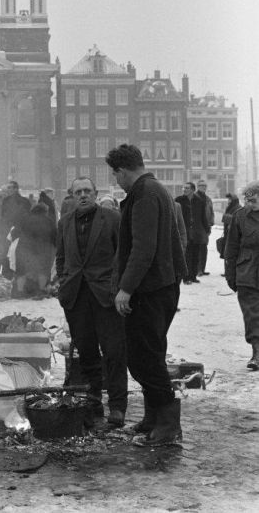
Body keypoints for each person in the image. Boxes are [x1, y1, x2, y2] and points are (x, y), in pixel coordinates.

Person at [106, 144, 186, 445]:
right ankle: (154, 417)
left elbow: (143, 248)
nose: (117, 182)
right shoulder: (155, 189)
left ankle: (167, 425)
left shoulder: (144, 193)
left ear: (122, 171)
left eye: (115, 176)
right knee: (150, 354)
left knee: (143, 359)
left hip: (149, 290)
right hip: (161, 286)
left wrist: (125, 288)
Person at [56, 176, 128, 426]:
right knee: (86, 353)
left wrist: (120, 288)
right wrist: (63, 283)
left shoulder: (112, 219)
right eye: (78, 192)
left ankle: (118, 407)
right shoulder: (64, 222)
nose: (83, 195)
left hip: (106, 296)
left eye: (88, 191)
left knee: (114, 352)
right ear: (72, 196)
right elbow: (61, 257)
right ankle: (93, 400)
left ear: (96, 194)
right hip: (76, 297)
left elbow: (123, 257)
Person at [224, 182, 259, 371]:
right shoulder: (240, 217)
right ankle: (257, 352)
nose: (249, 205)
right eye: (247, 200)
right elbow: (231, 248)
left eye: (253, 201)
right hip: (247, 272)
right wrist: (231, 275)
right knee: (252, 314)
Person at [13, 203, 57, 297]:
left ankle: (20, 292)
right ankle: (41, 291)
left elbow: (15, 232)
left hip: (24, 248)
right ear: (45, 211)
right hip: (43, 249)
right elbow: (55, 236)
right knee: (43, 270)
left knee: (21, 270)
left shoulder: (25, 218)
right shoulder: (49, 221)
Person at [175, 182, 210, 285]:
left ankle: (193, 276)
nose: (184, 189)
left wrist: (207, 229)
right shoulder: (179, 200)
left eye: (187, 188)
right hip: (184, 232)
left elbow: (203, 217)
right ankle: (186, 277)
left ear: (193, 190)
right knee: (186, 255)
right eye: (183, 187)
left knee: (196, 255)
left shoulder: (199, 201)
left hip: (197, 233)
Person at [196, 180, 214, 276]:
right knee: (197, 248)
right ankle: (197, 269)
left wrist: (211, 223)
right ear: (197, 187)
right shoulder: (195, 198)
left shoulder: (208, 199)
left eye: (205, 186)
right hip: (197, 227)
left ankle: (202, 269)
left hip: (206, 227)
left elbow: (211, 212)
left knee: (204, 248)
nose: (203, 187)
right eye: (201, 186)